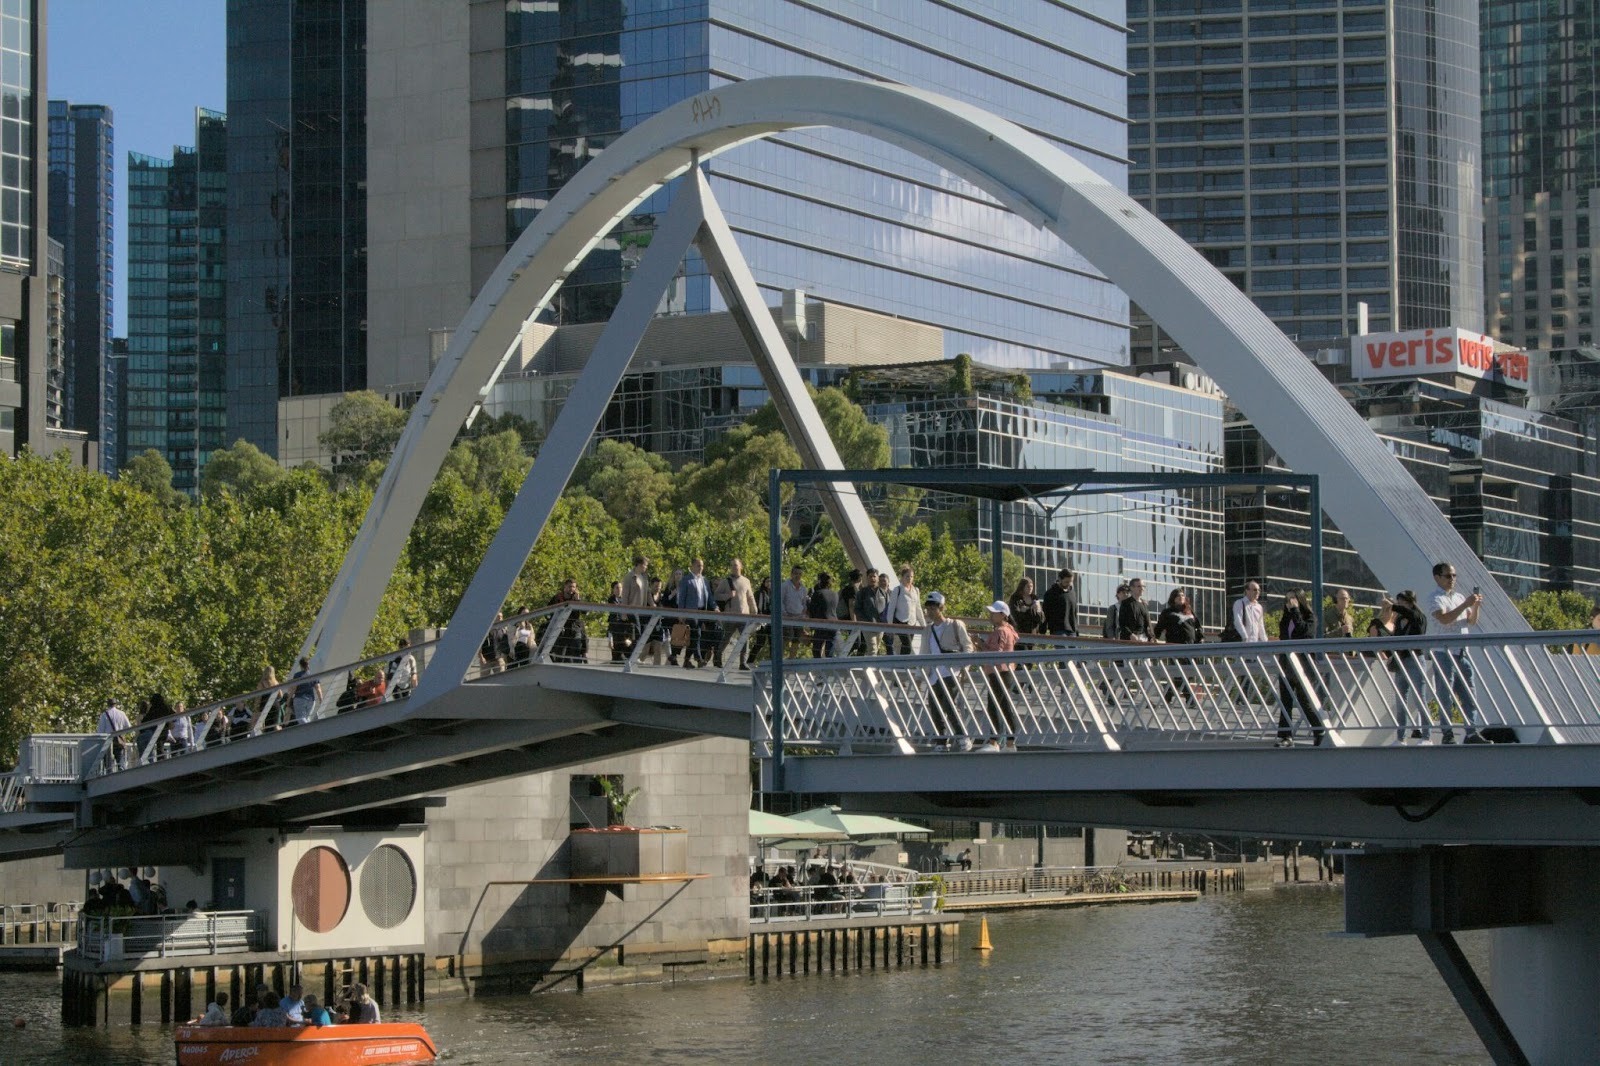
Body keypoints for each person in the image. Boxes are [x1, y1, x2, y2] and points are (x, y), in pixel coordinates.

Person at [1428, 561, 1482, 743]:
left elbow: (1471, 622)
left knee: (1469, 693)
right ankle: (1447, 734)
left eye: (1454, 575)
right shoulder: (1435, 598)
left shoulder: (1459, 597)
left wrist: (1474, 606)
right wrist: (1465, 604)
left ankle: (1471, 732)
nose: (1452, 579)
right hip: (1443, 652)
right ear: (1437, 578)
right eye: (1448, 576)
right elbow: (1444, 619)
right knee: (1445, 693)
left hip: (1461, 651)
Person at [1274, 592, 1327, 747]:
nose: (1289, 602)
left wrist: (1296, 611)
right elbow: (1284, 636)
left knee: (1305, 701)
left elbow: (1305, 632)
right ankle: (1285, 736)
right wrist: (1289, 613)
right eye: (1287, 599)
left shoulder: (1310, 617)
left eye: (1293, 599)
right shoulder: (1286, 619)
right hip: (1286, 663)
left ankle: (1319, 731)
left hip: (1303, 665)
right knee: (1286, 701)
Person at [924, 591, 973, 748]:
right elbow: (924, 653)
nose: (930, 611)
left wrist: (965, 666)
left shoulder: (954, 625)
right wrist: (920, 675)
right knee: (934, 706)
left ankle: (962, 736)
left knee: (948, 704)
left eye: (934, 607)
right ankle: (941, 740)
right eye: (928, 608)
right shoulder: (928, 630)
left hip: (952, 671)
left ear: (941, 607)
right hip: (934, 674)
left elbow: (968, 646)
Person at [1385, 589, 1431, 743]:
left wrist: (1393, 606)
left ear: (1410, 602)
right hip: (1402, 661)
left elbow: (1413, 615)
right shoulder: (1399, 620)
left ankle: (1426, 736)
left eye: (1401, 602)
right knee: (1400, 700)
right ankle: (1400, 737)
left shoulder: (1419, 617)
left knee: (1419, 698)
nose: (1398, 606)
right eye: (1397, 603)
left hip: (1415, 660)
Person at [980, 600, 1020, 748]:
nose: (991, 615)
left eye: (994, 613)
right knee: (1003, 704)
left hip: (998, 671)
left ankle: (994, 740)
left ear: (1003, 615)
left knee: (994, 705)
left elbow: (996, 653)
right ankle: (1009, 740)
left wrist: (980, 644)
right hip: (1006, 670)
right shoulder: (1009, 630)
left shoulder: (1000, 631)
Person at [1156, 589, 1201, 706]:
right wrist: (1153, 638)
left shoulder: (1189, 611)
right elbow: (1159, 627)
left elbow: (1198, 626)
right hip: (1174, 646)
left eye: (1182, 595)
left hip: (1190, 647)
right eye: (1177, 596)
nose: (1181, 597)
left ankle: (1168, 695)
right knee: (1180, 672)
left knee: (1186, 673)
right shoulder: (1168, 612)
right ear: (1173, 598)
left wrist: (1200, 638)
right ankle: (1190, 699)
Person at [718, 558, 758, 669]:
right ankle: (718, 658)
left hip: (744, 615)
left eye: (736, 565)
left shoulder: (746, 581)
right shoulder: (725, 581)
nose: (734, 567)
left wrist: (755, 611)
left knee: (744, 639)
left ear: (741, 566)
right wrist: (728, 596)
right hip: (730, 615)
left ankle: (742, 662)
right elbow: (717, 595)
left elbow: (750, 597)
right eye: (732, 565)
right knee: (726, 638)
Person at [677, 558, 715, 668]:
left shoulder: (704, 580)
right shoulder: (686, 579)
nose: (701, 568)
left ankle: (686, 660)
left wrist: (715, 607)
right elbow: (682, 597)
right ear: (692, 566)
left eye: (702, 566)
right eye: (698, 565)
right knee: (696, 634)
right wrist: (680, 613)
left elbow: (709, 597)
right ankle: (698, 658)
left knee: (694, 636)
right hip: (690, 611)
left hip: (702, 611)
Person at [546, 578, 589, 663]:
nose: (571, 589)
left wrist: (578, 601)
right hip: (561, 629)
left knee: (576, 651)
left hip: (574, 628)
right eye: (570, 586)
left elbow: (585, 612)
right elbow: (547, 612)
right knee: (560, 654)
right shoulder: (557, 598)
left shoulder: (577, 598)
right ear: (565, 587)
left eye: (573, 587)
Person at [886, 566, 926, 654]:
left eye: (911, 576)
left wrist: (924, 625)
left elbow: (918, 608)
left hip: (912, 622)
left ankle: (901, 665)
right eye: (907, 576)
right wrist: (889, 626)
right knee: (907, 646)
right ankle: (902, 665)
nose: (909, 578)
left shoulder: (916, 590)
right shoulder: (898, 590)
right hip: (901, 621)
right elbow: (891, 609)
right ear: (902, 577)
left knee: (906, 646)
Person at [853, 568, 887, 656]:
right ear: (867, 578)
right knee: (872, 649)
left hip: (880, 626)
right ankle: (870, 668)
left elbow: (888, 608)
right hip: (867, 626)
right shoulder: (862, 593)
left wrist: (885, 621)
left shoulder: (883, 593)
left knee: (875, 649)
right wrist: (864, 622)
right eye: (870, 576)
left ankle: (867, 667)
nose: (873, 578)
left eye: (874, 576)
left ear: (878, 578)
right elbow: (857, 609)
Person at [807, 572, 839, 659]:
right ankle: (828, 670)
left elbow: (812, 609)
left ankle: (818, 669)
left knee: (816, 650)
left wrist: (811, 625)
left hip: (821, 624)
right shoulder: (835, 594)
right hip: (834, 624)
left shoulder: (818, 594)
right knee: (829, 652)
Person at [780, 565, 810, 658]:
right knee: (786, 638)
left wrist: (803, 613)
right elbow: (780, 601)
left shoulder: (803, 589)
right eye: (796, 573)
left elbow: (804, 603)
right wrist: (784, 613)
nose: (798, 576)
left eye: (800, 574)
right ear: (791, 574)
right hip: (787, 616)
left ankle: (791, 660)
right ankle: (779, 658)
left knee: (796, 639)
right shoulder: (784, 586)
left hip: (798, 617)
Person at [97, 697, 132, 772]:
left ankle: (109, 772)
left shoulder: (104, 715)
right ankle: (121, 770)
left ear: (108, 704)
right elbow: (128, 726)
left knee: (108, 759)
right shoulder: (122, 713)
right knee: (119, 756)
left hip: (108, 740)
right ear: (115, 704)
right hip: (119, 738)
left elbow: (100, 731)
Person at [1009, 577, 1046, 648]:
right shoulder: (1015, 598)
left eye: (1031, 586)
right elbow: (1016, 616)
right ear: (1022, 587)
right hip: (1020, 632)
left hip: (1033, 632)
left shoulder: (1034, 598)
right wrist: (1030, 610)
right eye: (1028, 586)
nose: (1030, 588)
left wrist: (1035, 610)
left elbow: (1041, 619)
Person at [1042, 568, 1079, 638]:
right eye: (1066, 582)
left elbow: (1074, 613)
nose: (1069, 584)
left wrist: (1076, 631)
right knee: (1062, 648)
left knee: (1075, 649)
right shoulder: (1051, 593)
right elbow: (1045, 613)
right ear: (1060, 579)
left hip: (1072, 631)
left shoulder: (1072, 593)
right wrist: (1042, 631)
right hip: (1057, 630)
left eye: (1071, 582)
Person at [290, 657, 322, 725]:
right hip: (311, 700)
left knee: (300, 718)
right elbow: (318, 689)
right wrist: (321, 700)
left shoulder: (297, 675)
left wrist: (288, 699)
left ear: (301, 665)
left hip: (299, 698)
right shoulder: (313, 675)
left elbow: (294, 689)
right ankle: (313, 727)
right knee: (307, 719)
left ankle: (311, 727)